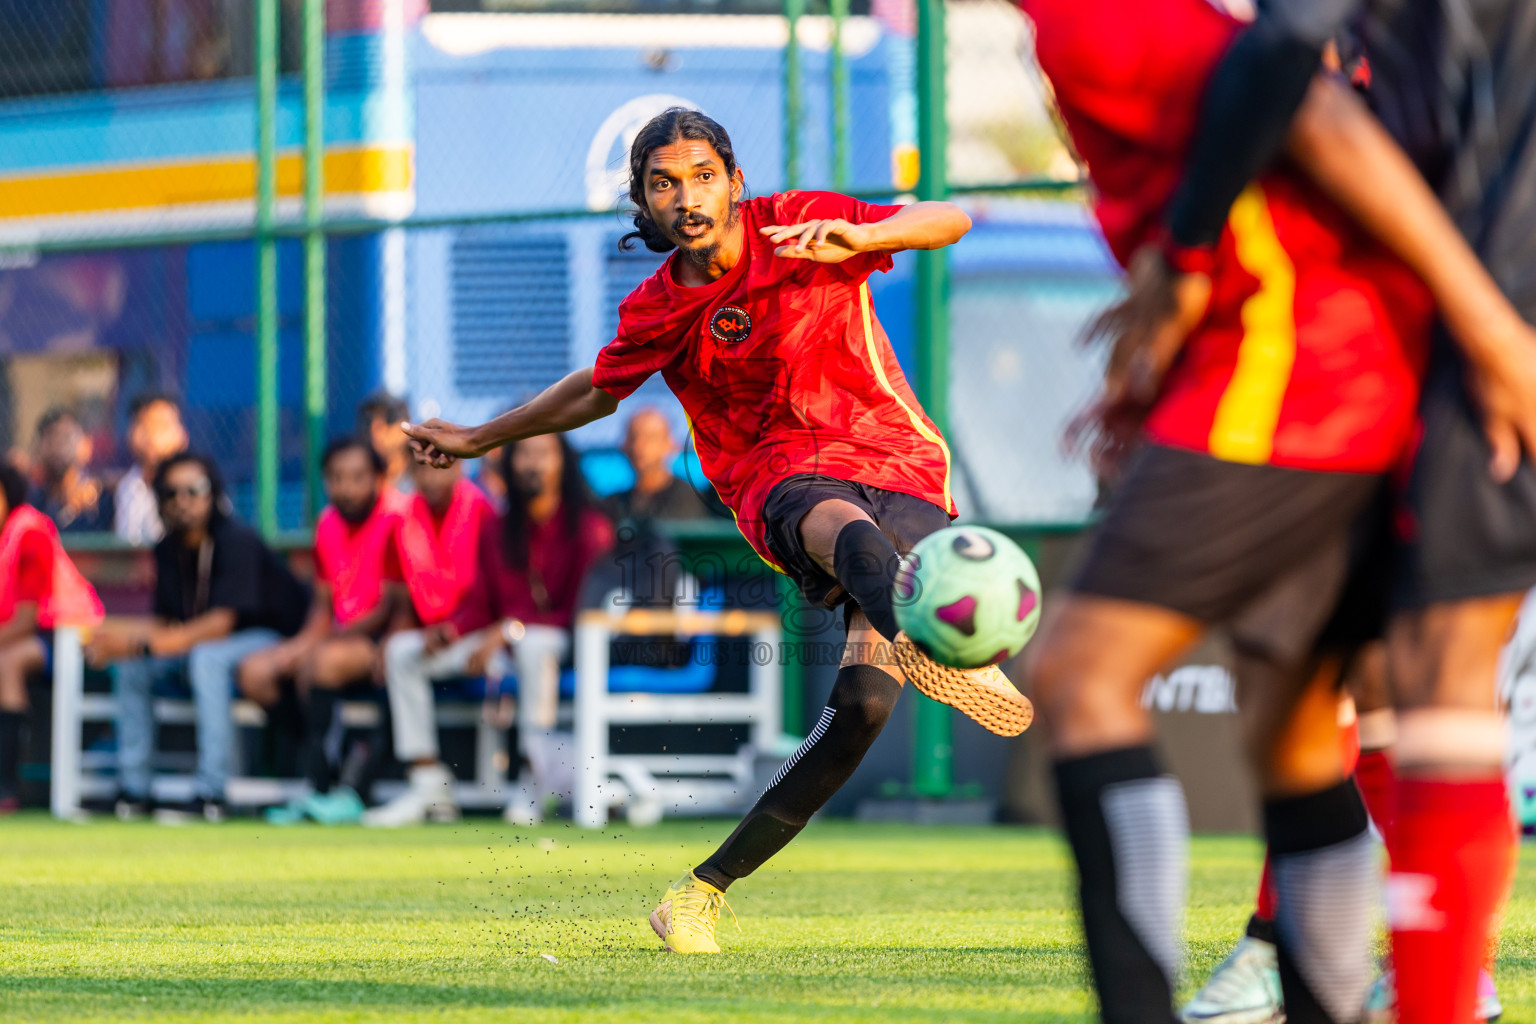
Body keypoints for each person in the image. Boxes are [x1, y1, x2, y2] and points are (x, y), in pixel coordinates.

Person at [401, 107, 1031, 955]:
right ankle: (947, 648)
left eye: (702, 176)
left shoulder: (802, 223)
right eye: (664, 183)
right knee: (841, 529)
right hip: (778, 476)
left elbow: (945, 219)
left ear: (735, 181)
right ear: (643, 202)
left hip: (896, 457)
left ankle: (697, 894)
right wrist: (479, 438)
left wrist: (854, 234)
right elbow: (595, 390)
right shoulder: (657, 310)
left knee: (862, 708)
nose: (686, 197)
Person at [1017, 0, 1536, 1021]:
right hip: (1383, 337)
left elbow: (1305, 87)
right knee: (1319, 719)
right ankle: (1371, 982)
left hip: (1349, 353)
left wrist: (1488, 330)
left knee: (1089, 675)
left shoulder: (1100, 22)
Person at [363, 433, 613, 827]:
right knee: (402, 652)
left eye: (543, 455)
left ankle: (535, 782)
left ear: (563, 462)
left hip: (556, 642)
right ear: (510, 463)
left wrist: (511, 629)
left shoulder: (589, 527)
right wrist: (451, 630)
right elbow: (480, 602)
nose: (532, 464)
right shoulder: (498, 525)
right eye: (524, 454)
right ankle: (428, 783)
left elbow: (581, 612)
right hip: (497, 640)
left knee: (533, 645)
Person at [91, 453, 309, 822]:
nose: (182, 501)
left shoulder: (236, 539)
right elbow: (166, 622)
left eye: (194, 491)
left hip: (270, 638)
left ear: (213, 494)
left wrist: (138, 644)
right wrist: (109, 637)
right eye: (171, 493)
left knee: (205, 657)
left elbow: (220, 624)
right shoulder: (166, 548)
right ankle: (134, 790)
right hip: (205, 647)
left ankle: (212, 793)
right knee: (132, 669)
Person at [238, 438, 405, 824]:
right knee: (255, 674)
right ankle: (326, 772)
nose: (346, 488)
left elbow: (391, 608)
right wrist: (296, 648)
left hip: (381, 638)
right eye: (336, 478)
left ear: (379, 478)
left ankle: (328, 788)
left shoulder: (398, 517)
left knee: (321, 664)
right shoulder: (327, 523)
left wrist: (321, 644)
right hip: (338, 638)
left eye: (357, 477)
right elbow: (322, 607)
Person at [0, 460, 103, 813]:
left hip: (73, 640)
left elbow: (26, 621)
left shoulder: (29, 533)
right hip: (27, 638)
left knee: (7, 664)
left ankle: (6, 788)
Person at [605, 406, 713, 521]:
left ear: (670, 444)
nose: (638, 447)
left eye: (650, 438)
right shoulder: (613, 504)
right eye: (633, 437)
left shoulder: (689, 499)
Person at [114, 392, 189, 546]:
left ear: (181, 435)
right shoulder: (124, 487)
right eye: (142, 424)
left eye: (160, 426)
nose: (150, 435)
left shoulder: (197, 489)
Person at [29, 407, 113, 533]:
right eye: (52, 437)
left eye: (67, 437)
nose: (59, 445)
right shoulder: (34, 503)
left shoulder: (102, 501)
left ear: (85, 444)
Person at [357, 392, 414, 495]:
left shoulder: (423, 477)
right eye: (369, 420)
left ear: (407, 426)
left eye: (389, 419)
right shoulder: (359, 480)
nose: (375, 429)